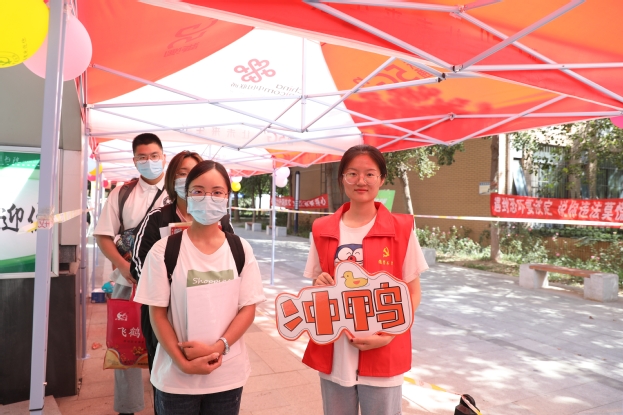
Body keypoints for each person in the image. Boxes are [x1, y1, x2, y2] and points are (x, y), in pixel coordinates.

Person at [302, 145, 428, 415]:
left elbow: (413, 292)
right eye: (352, 173)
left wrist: (389, 334)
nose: (361, 181)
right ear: (342, 178)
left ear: (381, 179)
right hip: (336, 352)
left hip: (384, 350)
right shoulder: (322, 229)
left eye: (370, 174)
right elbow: (317, 288)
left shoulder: (401, 229)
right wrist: (319, 285)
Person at [134, 160, 265, 415]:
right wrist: (182, 363)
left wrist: (218, 347)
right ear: (186, 194)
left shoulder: (240, 249)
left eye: (217, 192)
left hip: (227, 375)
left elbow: (248, 308)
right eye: (198, 191)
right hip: (176, 378)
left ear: (227, 197)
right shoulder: (163, 250)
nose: (208, 198)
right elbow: (157, 314)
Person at [94, 133, 168, 415]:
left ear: (164, 157)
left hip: (166, 283)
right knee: (126, 345)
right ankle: (128, 407)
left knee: (166, 341)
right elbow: (103, 236)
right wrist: (124, 267)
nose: (149, 161)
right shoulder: (122, 193)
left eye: (154, 156)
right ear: (135, 160)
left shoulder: (177, 193)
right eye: (143, 157)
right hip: (128, 280)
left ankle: (166, 401)